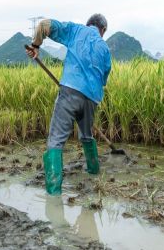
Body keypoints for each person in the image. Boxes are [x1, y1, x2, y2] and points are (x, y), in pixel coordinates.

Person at [26, 14, 112, 195]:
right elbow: (103, 79)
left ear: (89, 24)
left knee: (56, 140)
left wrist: (35, 46)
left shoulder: (76, 30)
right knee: (87, 135)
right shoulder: (104, 48)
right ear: (102, 30)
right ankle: (94, 173)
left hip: (70, 91)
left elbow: (44, 25)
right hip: (92, 99)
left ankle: (54, 194)